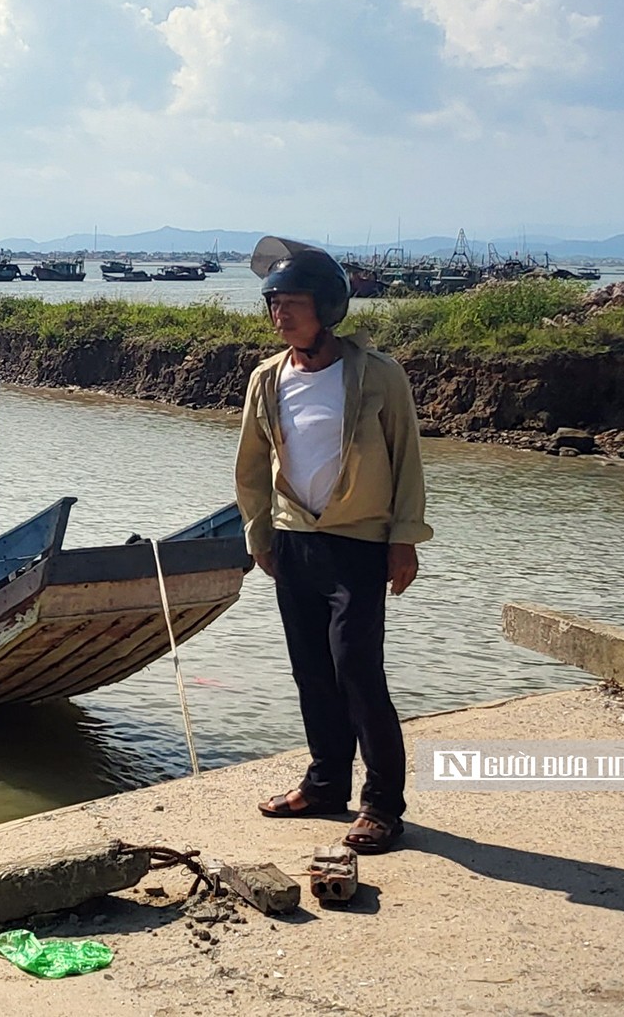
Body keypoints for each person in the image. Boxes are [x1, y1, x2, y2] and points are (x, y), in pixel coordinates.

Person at [235, 239, 431, 855]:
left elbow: (407, 463)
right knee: (311, 673)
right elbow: (250, 464)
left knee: (357, 669)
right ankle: (323, 786)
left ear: (328, 307)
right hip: (294, 543)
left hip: (359, 545)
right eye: (274, 305)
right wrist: (259, 534)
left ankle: (382, 806)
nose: (281, 317)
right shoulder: (267, 378)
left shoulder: (377, 375)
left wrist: (404, 540)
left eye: (293, 305)